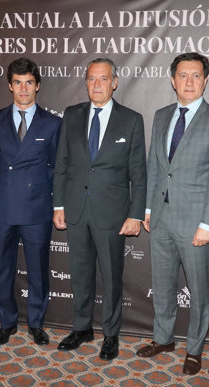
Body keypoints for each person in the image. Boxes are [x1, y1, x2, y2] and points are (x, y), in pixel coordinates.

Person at [137, 52, 209, 375]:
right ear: (172, 80)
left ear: (205, 80)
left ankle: (195, 348)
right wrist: (148, 208)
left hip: (196, 223)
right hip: (161, 219)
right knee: (162, 284)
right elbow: (155, 166)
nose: (189, 82)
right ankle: (163, 338)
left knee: (198, 290)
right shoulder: (162, 115)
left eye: (195, 75)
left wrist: (208, 224)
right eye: (183, 75)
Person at [52, 57, 146, 361]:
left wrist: (135, 214)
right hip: (76, 209)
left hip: (112, 214)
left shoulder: (131, 120)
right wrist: (59, 204)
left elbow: (138, 173)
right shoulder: (72, 114)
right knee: (80, 274)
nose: (97, 84)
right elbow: (62, 163)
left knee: (111, 277)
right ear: (86, 83)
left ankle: (110, 334)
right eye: (91, 78)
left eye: (103, 78)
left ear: (114, 83)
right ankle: (81, 328)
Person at [0, 58, 61, 346]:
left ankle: (36, 323)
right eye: (17, 83)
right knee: (2, 269)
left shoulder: (52, 123)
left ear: (38, 85)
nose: (23, 88)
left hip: (35, 208)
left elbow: (56, 167)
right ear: (10, 85)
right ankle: (6, 322)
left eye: (29, 82)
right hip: (3, 206)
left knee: (38, 270)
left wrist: (44, 193)